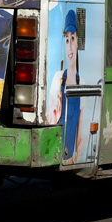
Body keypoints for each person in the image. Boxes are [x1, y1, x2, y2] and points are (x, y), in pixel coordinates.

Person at [47, 9, 85, 164]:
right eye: (67, 40)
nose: (69, 46)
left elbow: (80, 135)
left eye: (73, 38)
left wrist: (74, 161)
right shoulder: (57, 78)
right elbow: (50, 120)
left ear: (77, 42)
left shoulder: (82, 83)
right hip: (55, 154)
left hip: (69, 160)